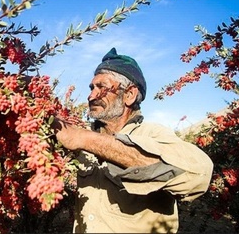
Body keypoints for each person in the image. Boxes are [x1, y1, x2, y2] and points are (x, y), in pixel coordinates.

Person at [53, 48, 213, 233]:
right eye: (91, 88)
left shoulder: (152, 133)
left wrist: (87, 140)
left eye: (101, 87)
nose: (91, 96)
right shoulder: (82, 135)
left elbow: (198, 176)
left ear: (129, 95)